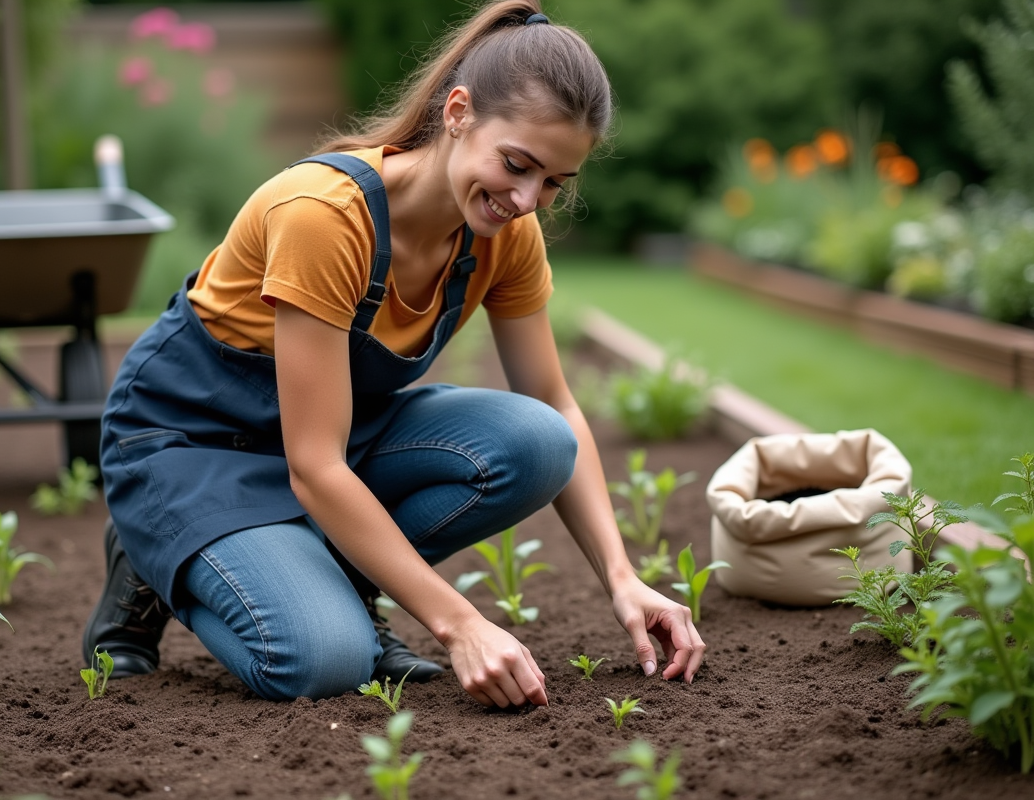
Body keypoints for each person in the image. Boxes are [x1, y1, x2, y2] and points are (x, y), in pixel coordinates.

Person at [82, 0, 706, 708]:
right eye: (517, 164)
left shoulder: (505, 235)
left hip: (325, 439)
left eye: (554, 182)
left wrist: (622, 577)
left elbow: (552, 401)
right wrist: (458, 623)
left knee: (537, 441)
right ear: (460, 111)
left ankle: (321, 574)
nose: (528, 199)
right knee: (325, 660)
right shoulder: (324, 215)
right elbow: (314, 466)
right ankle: (152, 556)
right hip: (191, 446)